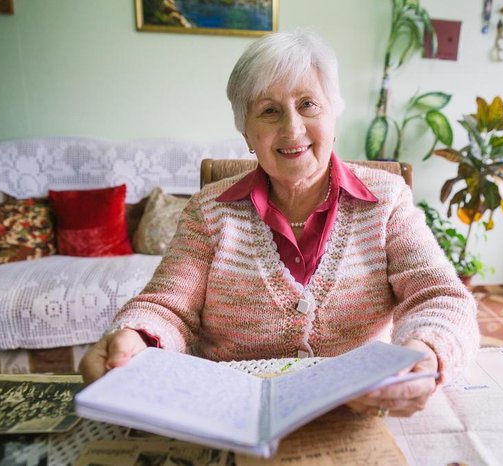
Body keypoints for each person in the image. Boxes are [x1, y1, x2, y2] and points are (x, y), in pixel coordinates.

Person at [80, 29, 479, 418]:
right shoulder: (207, 211)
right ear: (247, 132)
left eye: (308, 104)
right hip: (227, 415)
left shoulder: (387, 200)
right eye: (269, 111)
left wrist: (426, 351)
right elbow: (167, 308)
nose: (292, 129)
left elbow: (440, 297)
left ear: (333, 114)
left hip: (355, 413)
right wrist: (134, 337)